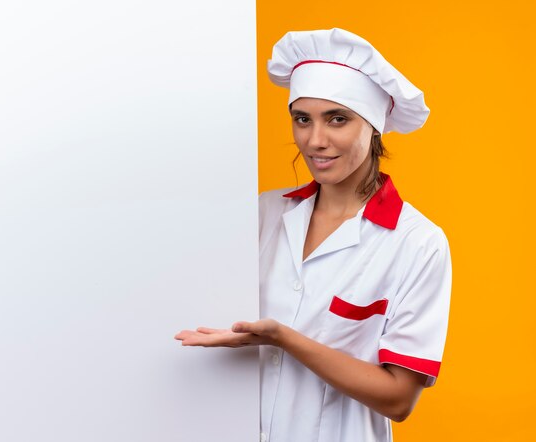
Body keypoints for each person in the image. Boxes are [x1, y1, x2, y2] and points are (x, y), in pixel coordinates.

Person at [175, 28, 451, 442]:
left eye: (337, 119)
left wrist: (283, 338)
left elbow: (398, 399)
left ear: (373, 126)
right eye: (302, 119)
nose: (315, 141)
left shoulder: (417, 243)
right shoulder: (263, 212)